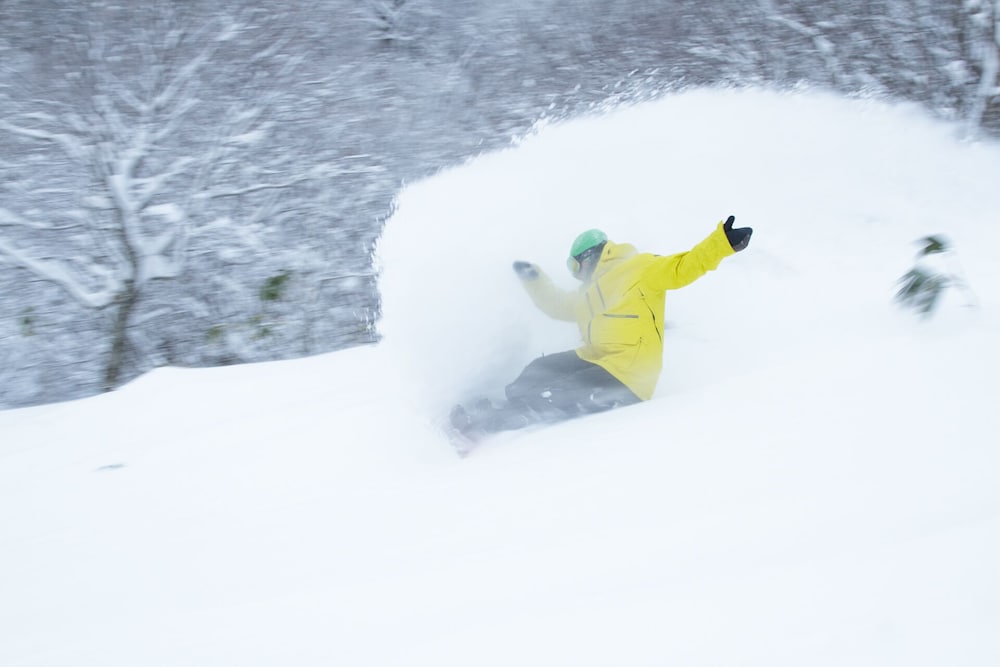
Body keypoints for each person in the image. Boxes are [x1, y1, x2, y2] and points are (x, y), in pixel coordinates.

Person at [450, 215, 752, 438]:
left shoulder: (640, 267)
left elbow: (682, 267)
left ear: (590, 257)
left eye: (575, 266)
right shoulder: (588, 292)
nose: (575, 274)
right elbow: (557, 305)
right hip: (596, 359)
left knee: (555, 394)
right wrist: (534, 279)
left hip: (628, 374)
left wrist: (721, 243)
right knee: (538, 371)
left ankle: (486, 429)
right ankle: (503, 406)